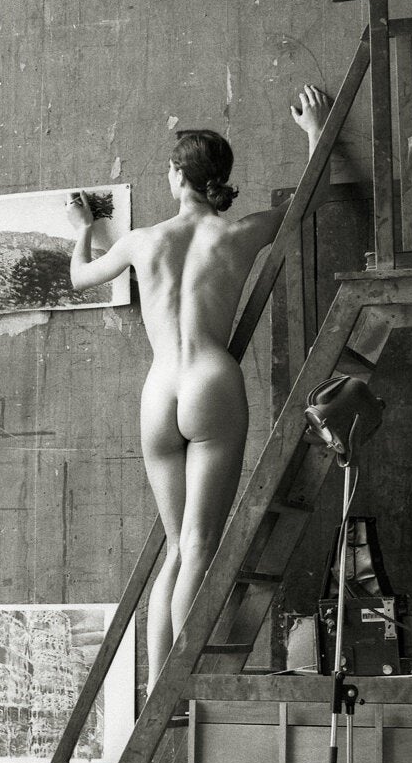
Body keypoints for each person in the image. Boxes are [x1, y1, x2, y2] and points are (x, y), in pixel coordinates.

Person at [67, 86, 332, 685]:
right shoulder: (237, 235)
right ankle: (182, 687)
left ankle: (161, 687)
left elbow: (79, 277)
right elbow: (309, 201)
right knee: (199, 547)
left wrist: (84, 227)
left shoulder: (142, 241)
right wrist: (315, 130)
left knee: (175, 549)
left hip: (159, 390)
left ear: (178, 175)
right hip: (210, 381)